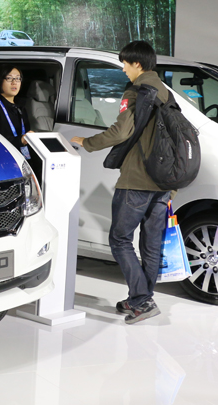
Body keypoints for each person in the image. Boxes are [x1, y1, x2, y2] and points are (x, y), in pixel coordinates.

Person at [70, 40, 172, 325]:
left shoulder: (137, 90)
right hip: (163, 181)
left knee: (120, 239)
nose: (124, 69)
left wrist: (87, 142)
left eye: (125, 64)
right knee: (151, 243)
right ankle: (141, 298)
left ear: (137, 64)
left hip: (137, 179)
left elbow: (121, 131)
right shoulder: (166, 92)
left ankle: (141, 300)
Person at [0, 65, 32, 159]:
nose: (14, 82)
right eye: (9, 78)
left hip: (23, 157)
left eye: (18, 78)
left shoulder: (21, 108)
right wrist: (20, 140)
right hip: (3, 158)